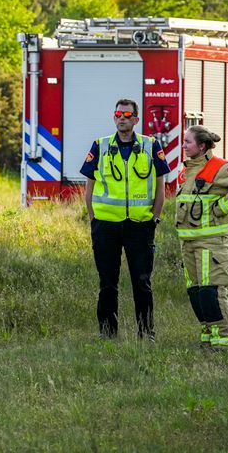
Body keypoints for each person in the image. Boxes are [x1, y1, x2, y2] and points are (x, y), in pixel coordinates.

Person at [81, 98, 169, 340]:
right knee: (108, 283)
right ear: (114, 117)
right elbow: (89, 187)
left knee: (142, 282)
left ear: (136, 120)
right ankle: (108, 334)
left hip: (140, 226)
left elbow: (161, 186)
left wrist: (155, 217)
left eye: (127, 115)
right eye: (119, 114)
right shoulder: (100, 146)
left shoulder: (151, 146)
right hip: (106, 226)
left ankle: (146, 333)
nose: (122, 118)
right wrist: (93, 220)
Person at [175, 125, 228, 349]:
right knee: (196, 293)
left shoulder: (220, 167)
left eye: (187, 142)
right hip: (188, 242)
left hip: (211, 242)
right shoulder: (186, 171)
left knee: (212, 292)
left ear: (201, 146)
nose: (183, 146)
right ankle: (208, 338)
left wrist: (220, 209)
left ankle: (225, 343)